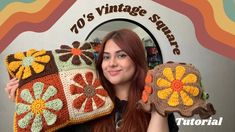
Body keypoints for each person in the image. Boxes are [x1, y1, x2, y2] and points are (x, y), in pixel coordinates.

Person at [5, 29, 178, 132]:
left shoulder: (156, 102)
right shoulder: (85, 99)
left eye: (121, 55)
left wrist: (157, 111)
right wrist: (24, 101)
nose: (111, 64)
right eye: (106, 57)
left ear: (137, 59)